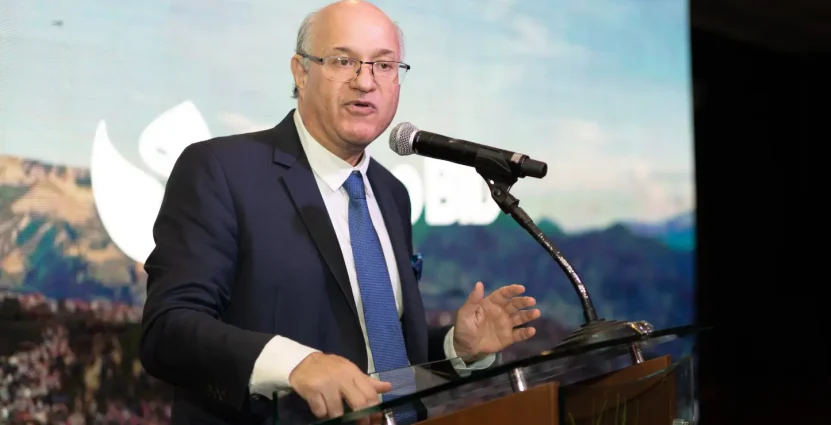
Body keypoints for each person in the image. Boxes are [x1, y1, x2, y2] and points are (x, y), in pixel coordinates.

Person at [138, 1, 541, 424]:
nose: (365, 82)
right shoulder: (222, 170)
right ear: (300, 72)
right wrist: (294, 365)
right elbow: (168, 329)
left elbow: (379, 351)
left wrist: (457, 348)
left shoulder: (391, 193)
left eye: (383, 65)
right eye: (343, 61)